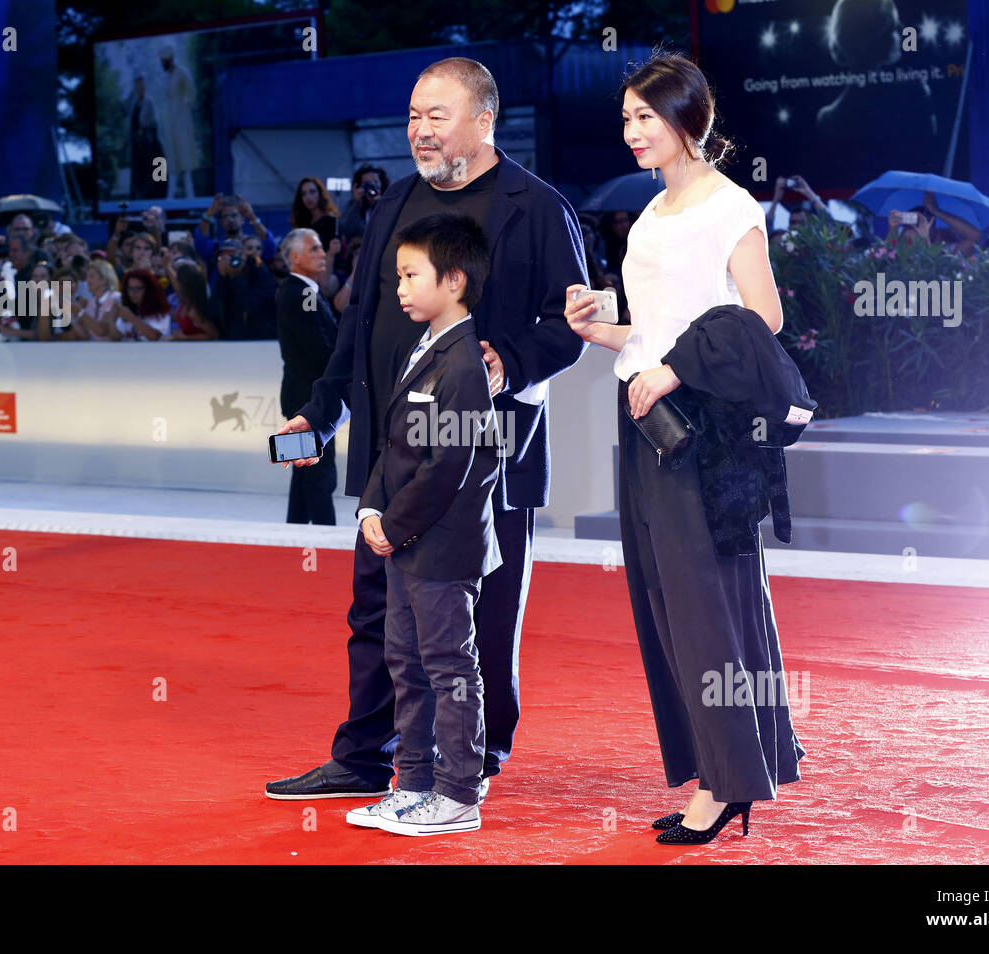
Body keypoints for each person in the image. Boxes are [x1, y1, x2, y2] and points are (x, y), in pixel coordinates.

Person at [266, 56, 587, 803]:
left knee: (484, 613)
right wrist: (320, 411)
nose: (418, 130)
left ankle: (472, 758)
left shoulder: (538, 209)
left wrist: (506, 363)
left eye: (435, 115)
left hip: (488, 454)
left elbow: (565, 331)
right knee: (376, 610)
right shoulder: (392, 207)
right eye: (412, 116)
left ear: (483, 120)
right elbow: (361, 331)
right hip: (393, 458)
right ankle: (364, 755)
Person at [564, 52, 805, 845]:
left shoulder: (728, 205)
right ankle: (728, 766)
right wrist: (605, 332)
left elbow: (761, 319)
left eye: (646, 117)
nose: (632, 132)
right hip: (646, 422)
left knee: (706, 608)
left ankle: (728, 782)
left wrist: (673, 369)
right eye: (626, 118)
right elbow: (659, 330)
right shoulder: (650, 215)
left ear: (688, 119)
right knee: (670, 609)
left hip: (703, 431)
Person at [346, 213, 501, 835]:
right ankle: (412, 783)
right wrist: (370, 508)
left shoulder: (463, 363)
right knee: (406, 665)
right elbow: (394, 446)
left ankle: (459, 792)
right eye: (398, 275)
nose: (401, 287)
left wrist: (393, 524)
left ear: (454, 281)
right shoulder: (426, 349)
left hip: (442, 547)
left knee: (449, 669)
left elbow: (449, 469)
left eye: (412, 275)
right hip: (410, 543)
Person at [275, 229, 339, 525]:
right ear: (295, 257)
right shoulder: (299, 293)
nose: (322, 253)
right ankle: (326, 542)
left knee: (305, 476)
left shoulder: (304, 291)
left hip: (304, 397)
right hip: (307, 400)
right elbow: (320, 348)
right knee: (317, 475)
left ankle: (295, 536)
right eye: (314, 249)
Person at [156, 45, 196, 199]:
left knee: (185, 154)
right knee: (172, 156)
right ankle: (170, 195)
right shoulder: (165, 77)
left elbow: (191, 92)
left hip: (182, 118)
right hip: (170, 118)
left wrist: (184, 105)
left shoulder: (182, 73)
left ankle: (190, 195)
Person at [128, 74, 165, 200]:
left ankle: (160, 196)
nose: (140, 88)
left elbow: (154, 120)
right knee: (140, 173)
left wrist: (143, 128)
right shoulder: (135, 104)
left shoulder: (149, 102)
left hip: (150, 143)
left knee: (157, 170)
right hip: (139, 146)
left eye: (141, 85)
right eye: (137, 86)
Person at [168, 262, 217, 340]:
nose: (176, 282)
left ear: (185, 285)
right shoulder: (185, 301)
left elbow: (212, 335)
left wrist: (184, 337)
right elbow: (175, 283)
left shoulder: (195, 311)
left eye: (178, 280)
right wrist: (167, 266)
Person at [291, 176, 340, 250]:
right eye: (304, 193)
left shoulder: (330, 221)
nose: (308, 197)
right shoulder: (301, 222)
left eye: (312, 192)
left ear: (320, 193)